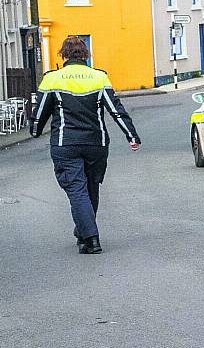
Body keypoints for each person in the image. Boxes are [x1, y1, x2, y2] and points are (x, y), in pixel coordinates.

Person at [30, 36, 141, 254]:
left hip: (66, 143)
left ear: (63, 54)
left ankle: (91, 238)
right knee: (91, 188)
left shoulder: (52, 79)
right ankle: (84, 231)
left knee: (76, 190)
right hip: (96, 143)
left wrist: (35, 130)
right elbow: (115, 109)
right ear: (86, 54)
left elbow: (40, 112)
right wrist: (131, 135)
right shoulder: (99, 78)